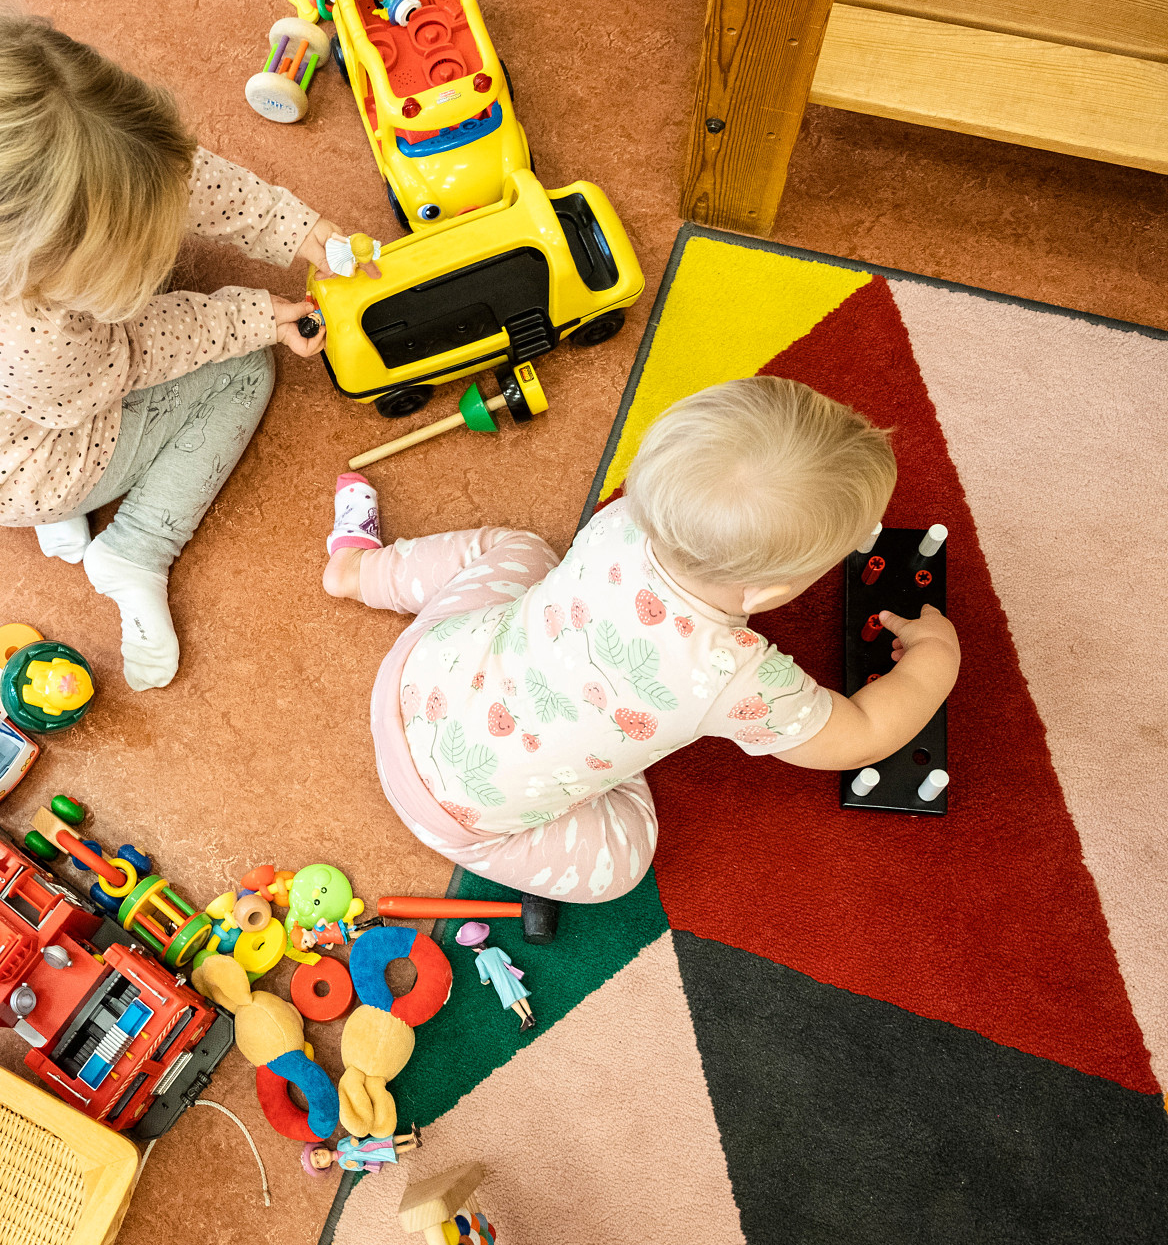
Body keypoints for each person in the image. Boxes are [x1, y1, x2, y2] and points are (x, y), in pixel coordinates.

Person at [0, 10, 369, 690]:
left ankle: (73, 516)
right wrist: (253, 317)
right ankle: (137, 548)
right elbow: (133, 353)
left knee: (136, 223)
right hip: (31, 465)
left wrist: (299, 229)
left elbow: (166, 171)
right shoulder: (25, 336)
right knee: (242, 370)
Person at [321, 377, 961, 901]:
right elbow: (860, 734)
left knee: (520, 550)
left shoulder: (625, 518)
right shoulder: (737, 677)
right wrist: (936, 657)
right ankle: (597, 775)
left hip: (413, 678)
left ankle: (361, 573)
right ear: (765, 596)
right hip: (453, 816)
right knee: (622, 861)